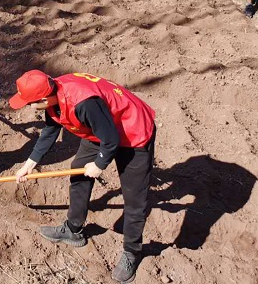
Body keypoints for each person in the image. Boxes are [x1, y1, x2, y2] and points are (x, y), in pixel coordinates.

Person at [10, 70, 156, 284]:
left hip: (132, 131)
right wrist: (29, 164)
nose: (28, 107)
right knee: (79, 171)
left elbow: (112, 140)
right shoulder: (53, 93)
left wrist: (99, 164)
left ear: (42, 98)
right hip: (100, 128)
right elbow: (51, 130)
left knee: (134, 199)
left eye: (29, 102)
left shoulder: (83, 103)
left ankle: (132, 253)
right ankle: (73, 229)